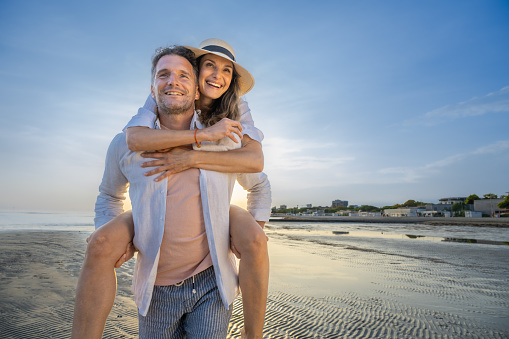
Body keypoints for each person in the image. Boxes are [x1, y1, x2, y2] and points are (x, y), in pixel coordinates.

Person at [72, 41, 270, 339]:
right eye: (163, 75)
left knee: (255, 240)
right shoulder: (126, 143)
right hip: (156, 288)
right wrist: (111, 231)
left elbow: (259, 178)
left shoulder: (224, 138)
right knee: (99, 243)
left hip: (211, 285)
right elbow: (109, 195)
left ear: (195, 91)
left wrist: (248, 230)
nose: (173, 82)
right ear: (152, 89)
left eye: (182, 76)